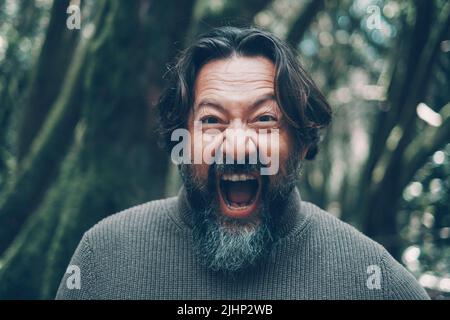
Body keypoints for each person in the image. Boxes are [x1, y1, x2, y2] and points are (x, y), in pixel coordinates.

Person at [56, 26, 429, 300]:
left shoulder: (371, 276)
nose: (236, 145)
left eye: (265, 119)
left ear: (300, 142)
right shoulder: (103, 258)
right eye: (212, 120)